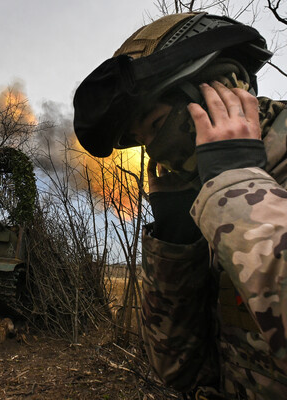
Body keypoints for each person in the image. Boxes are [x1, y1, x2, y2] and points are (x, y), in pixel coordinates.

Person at [73, 12, 287, 399]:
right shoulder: (213, 202)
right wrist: (174, 242)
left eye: (155, 125)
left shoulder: (230, 192)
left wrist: (237, 184)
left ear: (223, 87)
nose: (154, 150)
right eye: (141, 140)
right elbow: (178, 369)